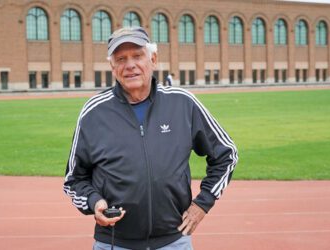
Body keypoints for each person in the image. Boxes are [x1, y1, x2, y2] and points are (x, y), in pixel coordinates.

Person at [64, 26, 238, 250]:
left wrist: (202, 204)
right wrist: (94, 202)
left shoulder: (183, 103)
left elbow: (226, 154)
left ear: (153, 59)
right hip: (114, 243)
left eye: (137, 56)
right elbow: (74, 179)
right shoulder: (94, 112)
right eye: (121, 59)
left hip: (173, 241)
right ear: (112, 67)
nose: (130, 65)